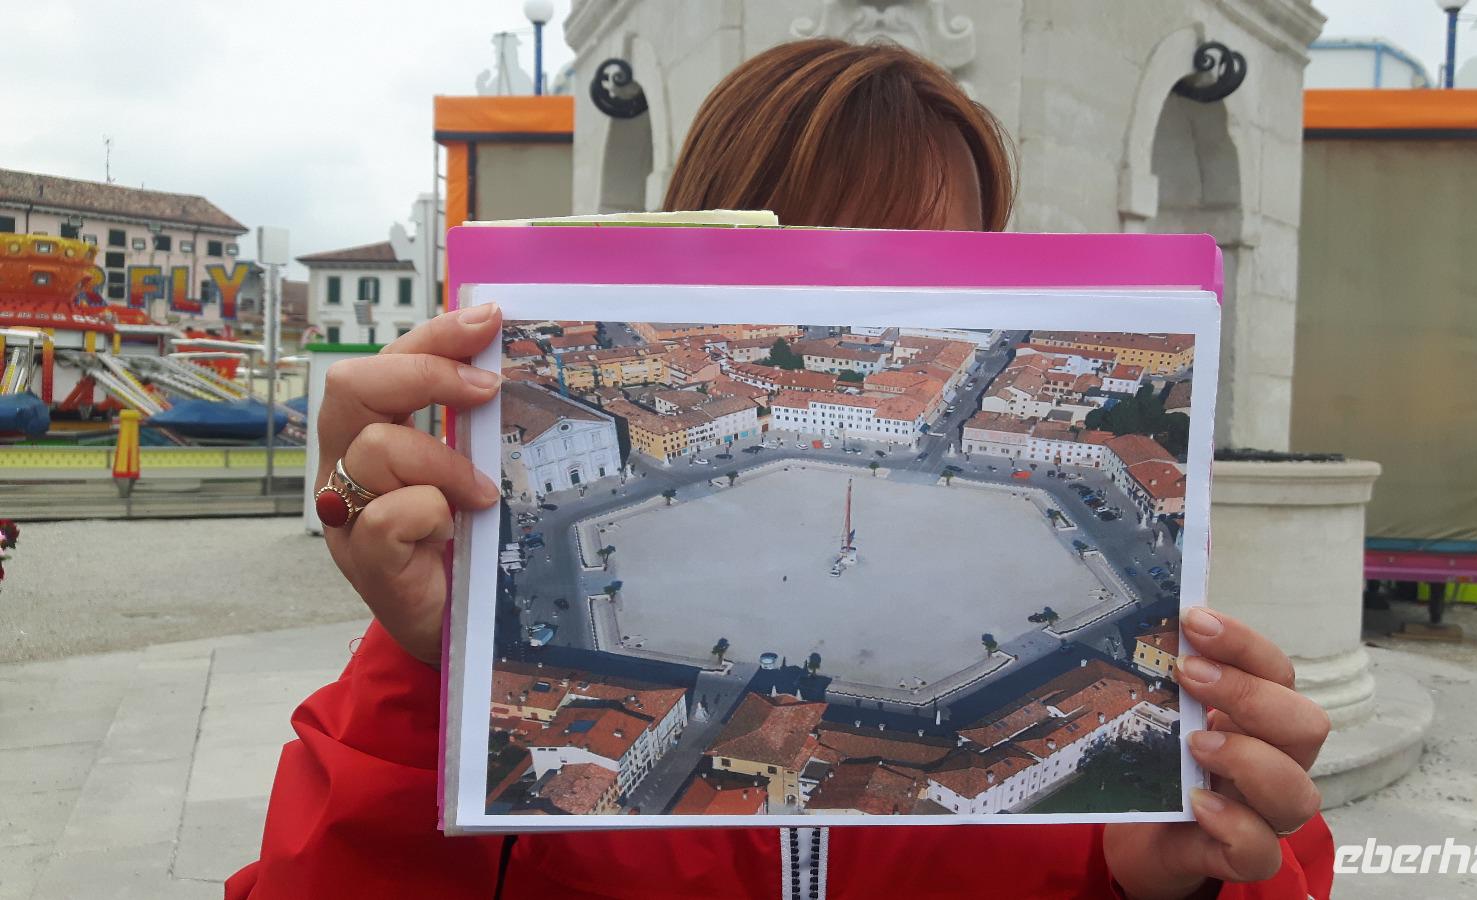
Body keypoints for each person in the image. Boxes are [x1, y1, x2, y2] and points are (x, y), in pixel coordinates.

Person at [229, 39, 1333, 900]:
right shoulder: (468, 668)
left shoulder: (1146, 708)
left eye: (922, 268)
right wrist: (430, 671)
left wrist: (1181, 877)